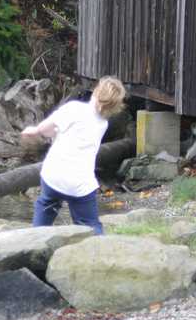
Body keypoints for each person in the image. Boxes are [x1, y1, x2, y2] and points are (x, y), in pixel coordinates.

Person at [21, 76, 127, 234]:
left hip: (54, 176)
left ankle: (37, 235)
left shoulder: (74, 108)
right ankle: (97, 241)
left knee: (46, 204)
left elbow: (44, 130)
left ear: (96, 91)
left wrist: (33, 130)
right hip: (80, 185)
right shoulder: (103, 124)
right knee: (90, 224)